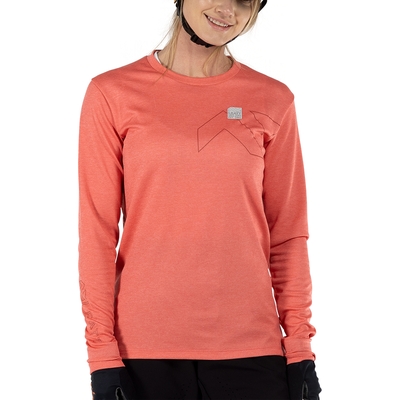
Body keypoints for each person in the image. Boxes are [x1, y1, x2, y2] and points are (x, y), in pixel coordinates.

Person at [78, 0, 322, 399]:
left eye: (245, 1)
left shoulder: (273, 98)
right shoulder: (112, 93)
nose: (228, 9)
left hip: (252, 348)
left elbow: (288, 235)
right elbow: (97, 235)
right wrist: (102, 353)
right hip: (143, 351)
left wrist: (299, 349)